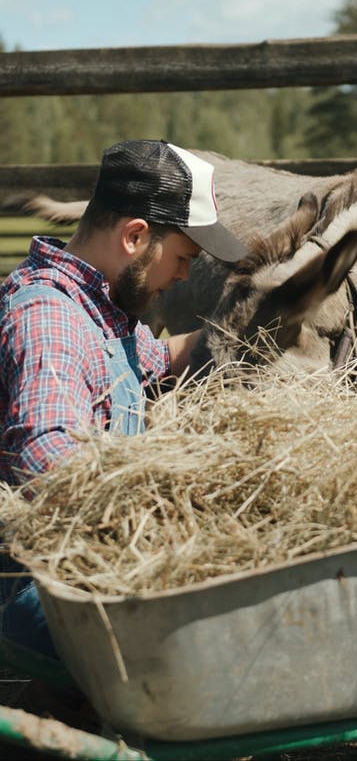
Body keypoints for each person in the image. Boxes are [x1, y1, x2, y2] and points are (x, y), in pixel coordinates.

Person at [0, 139, 247, 660]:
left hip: (98, 572)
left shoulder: (104, 310)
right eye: (183, 258)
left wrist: (254, 331)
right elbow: (46, 453)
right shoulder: (50, 318)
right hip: (50, 591)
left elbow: (163, 358)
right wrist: (159, 516)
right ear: (136, 236)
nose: (182, 276)